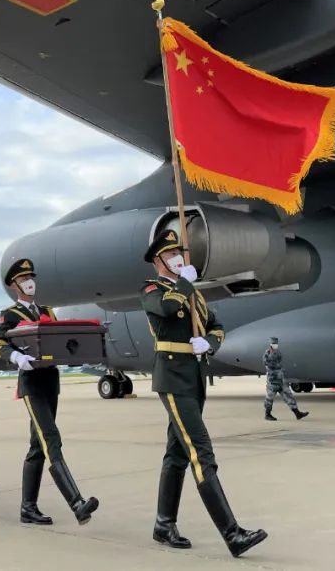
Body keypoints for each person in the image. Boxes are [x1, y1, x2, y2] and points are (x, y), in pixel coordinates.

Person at [141, 229, 266, 557]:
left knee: (177, 453)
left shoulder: (193, 295)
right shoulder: (153, 290)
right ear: (158, 261)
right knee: (201, 452)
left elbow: (217, 326)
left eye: (179, 254)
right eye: (171, 255)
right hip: (172, 379)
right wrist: (185, 283)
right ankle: (232, 533)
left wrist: (208, 343)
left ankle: (163, 524)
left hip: (194, 377)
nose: (177, 259)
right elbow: (168, 309)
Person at [0, 258, 98, 526]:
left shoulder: (47, 311)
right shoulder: (10, 314)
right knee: (50, 437)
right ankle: (76, 502)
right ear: (14, 285)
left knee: (37, 445)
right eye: (23, 279)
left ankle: (27, 508)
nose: (29, 282)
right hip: (32, 384)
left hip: (50, 381)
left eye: (31, 278)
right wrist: (16, 357)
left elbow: (58, 339)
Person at [263, 337, 309, 421]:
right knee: (270, 398)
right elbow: (267, 363)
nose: (275, 345)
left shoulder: (278, 352)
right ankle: (267, 414)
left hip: (280, 379)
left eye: (276, 343)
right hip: (272, 380)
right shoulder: (267, 353)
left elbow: (280, 361)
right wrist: (275, 364)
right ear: (271, 344)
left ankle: (297, 413)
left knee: (289, 395)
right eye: (274, 343)